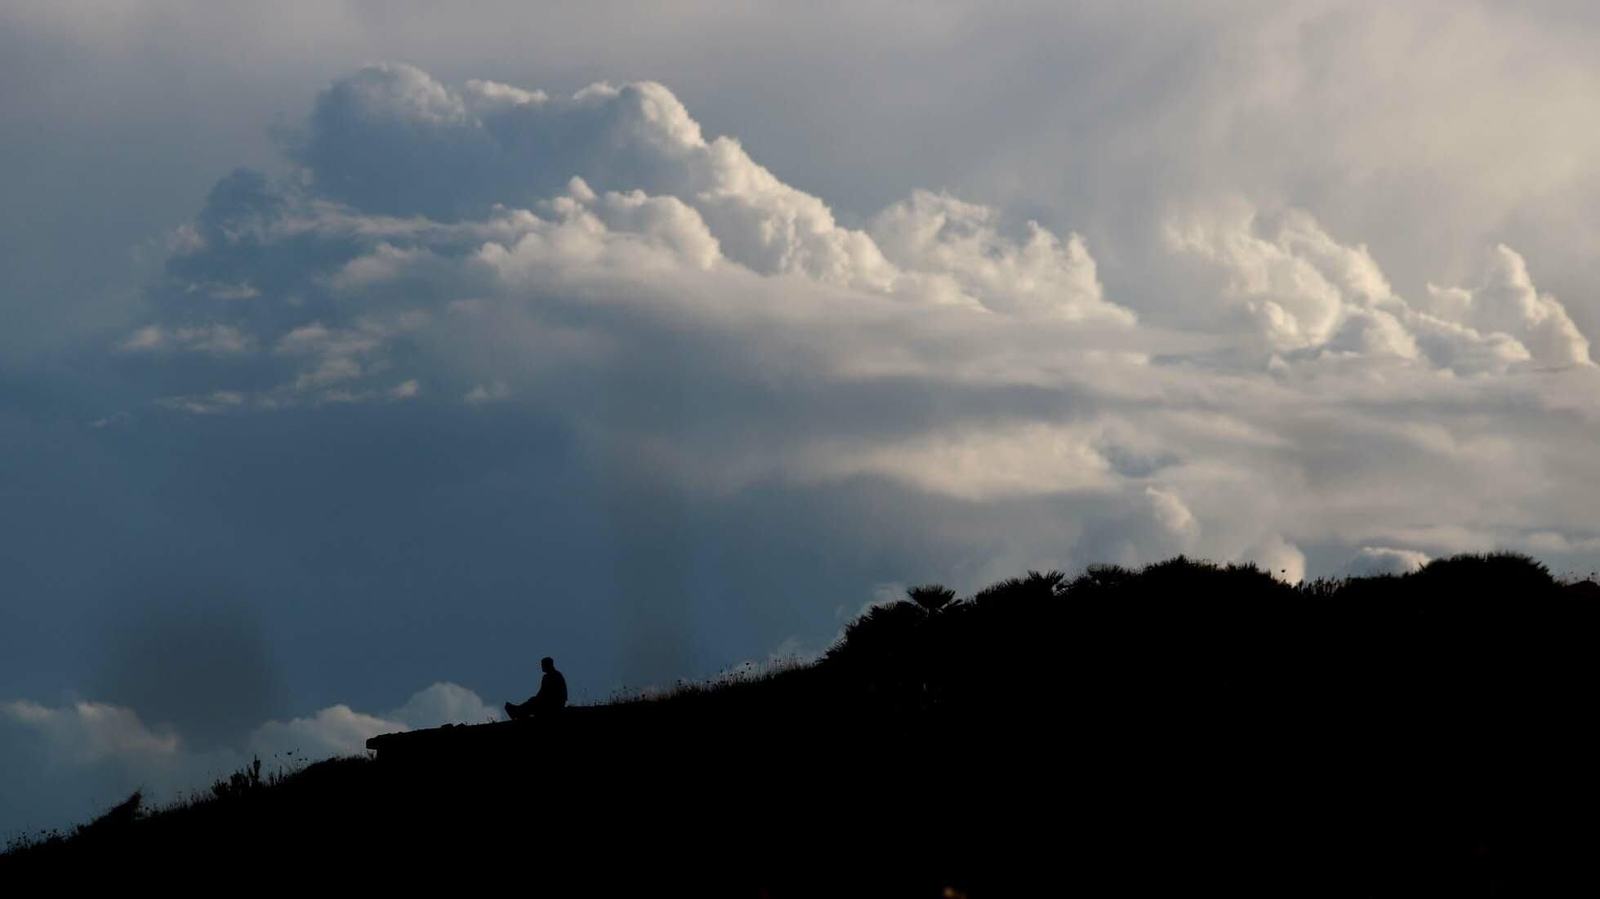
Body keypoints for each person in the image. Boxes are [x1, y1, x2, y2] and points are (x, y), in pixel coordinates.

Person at [505, 656, 568, 721]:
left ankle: (518, 712)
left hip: (553, 705)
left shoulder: (552, 676)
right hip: (553, 703)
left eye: (543, 665)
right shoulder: (552, 675)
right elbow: (542, 693)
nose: (542, 667)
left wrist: (536, 699)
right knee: (533, 700)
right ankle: (519, 711)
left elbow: (544, 693)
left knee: (533, 701)